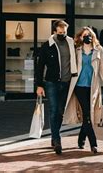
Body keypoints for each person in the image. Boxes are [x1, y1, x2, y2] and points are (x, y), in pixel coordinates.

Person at [63, 27, 103, 154]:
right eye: (84, 35)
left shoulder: (99, 50)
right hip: (79, 86)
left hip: (92, 87)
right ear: (81, 37)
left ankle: (81, 139)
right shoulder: (77, 50)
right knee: (87, 113)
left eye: (89, 35)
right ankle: (93, 144)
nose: (87, 37)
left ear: (93, 36)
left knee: (88, 113)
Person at [35, 20, 78, 154]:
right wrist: (39, 85)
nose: (62, 34)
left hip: (66, 82)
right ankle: (56, 138)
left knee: (60, 111)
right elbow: (40, 66)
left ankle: (55, 135)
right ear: (54, 31)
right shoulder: (47, 45)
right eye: (60, 32)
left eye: (64, 32)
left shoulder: (71, 42)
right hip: (51, 83)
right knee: (53, 110)